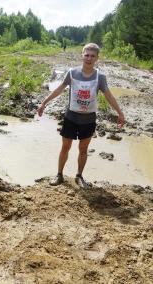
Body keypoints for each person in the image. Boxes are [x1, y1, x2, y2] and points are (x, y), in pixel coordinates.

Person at [37, 43, 124, 187]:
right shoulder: (72, 73)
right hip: (71, 117)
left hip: (88, 120)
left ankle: (79, 176)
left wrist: (120, 113)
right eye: (86, 55)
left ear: (97, 58)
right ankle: (59, 175)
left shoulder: (100, 77)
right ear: (82, 55)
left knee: (83, 149)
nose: (89, 58)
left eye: (92, 56)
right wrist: (44, 103)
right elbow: (59, 89)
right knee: (65, 147)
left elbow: (109, 95)